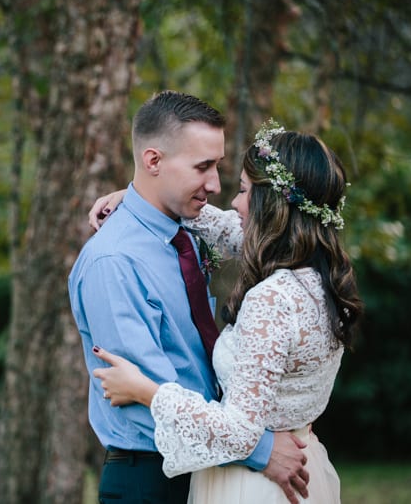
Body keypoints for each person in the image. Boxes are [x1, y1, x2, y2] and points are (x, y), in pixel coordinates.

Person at [89, 119, 363, 503]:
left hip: (250, 485)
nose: (232, 203)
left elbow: (238, 432)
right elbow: (222, 226)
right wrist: (138, 196)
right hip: (302, 459)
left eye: (244, 191)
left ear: (273, 207)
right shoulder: (318, 279)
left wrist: (146, 391)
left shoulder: (274, 299)